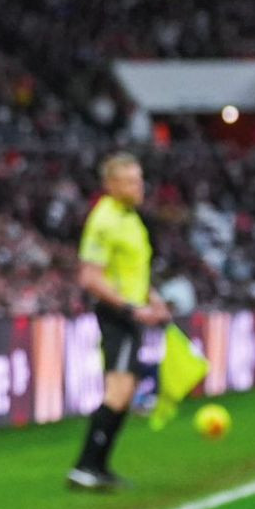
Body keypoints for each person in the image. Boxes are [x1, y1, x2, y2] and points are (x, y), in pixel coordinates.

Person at [69, 152, 168, 491]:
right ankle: (86, 466)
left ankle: (98, 466)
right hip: (117, 315)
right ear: (110, 185)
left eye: (138, 180)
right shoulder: (104, 220)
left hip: (132, 312)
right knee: (118, 389)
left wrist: (153, 298)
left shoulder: (131, 219)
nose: (137, 187)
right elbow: (90, 277)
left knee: (125, 391)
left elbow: (132, 272)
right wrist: (130, 309)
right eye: (129, 181)